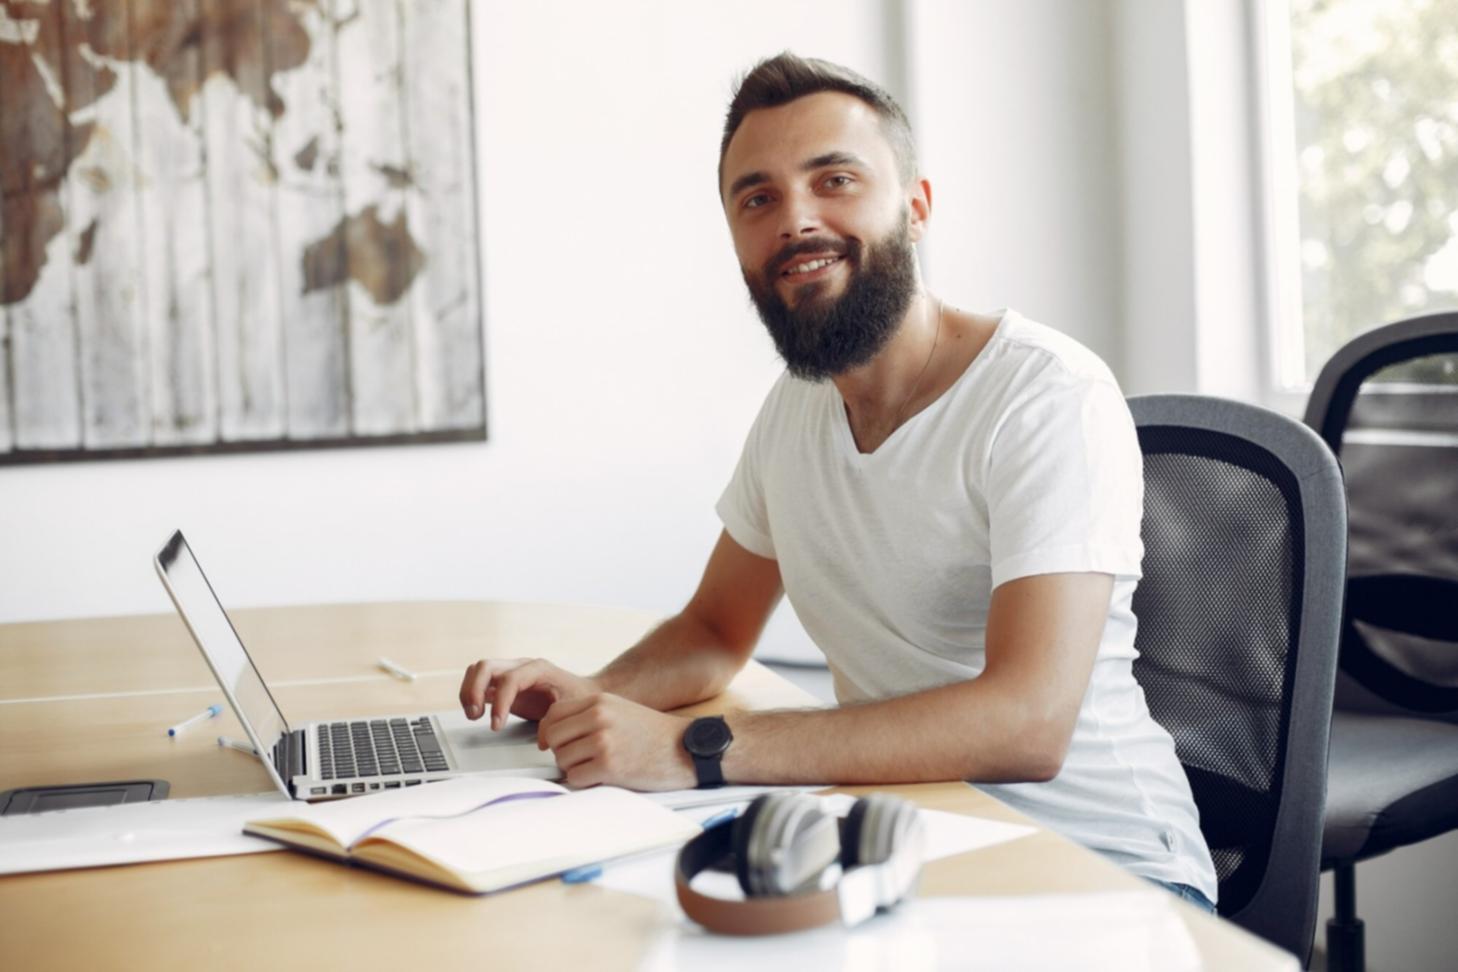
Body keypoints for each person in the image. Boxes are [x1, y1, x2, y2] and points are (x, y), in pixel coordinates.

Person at [458, 52, 1217, 910]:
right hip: (909, 851)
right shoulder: (797, 409)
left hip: (1106, 873)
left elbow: (1027, 722)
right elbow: (713, 628)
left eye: (836, 180)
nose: (796, 220)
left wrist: (690, 748)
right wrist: (590, 699)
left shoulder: (1045, 395)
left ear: (916, 207)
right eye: (759, 198)